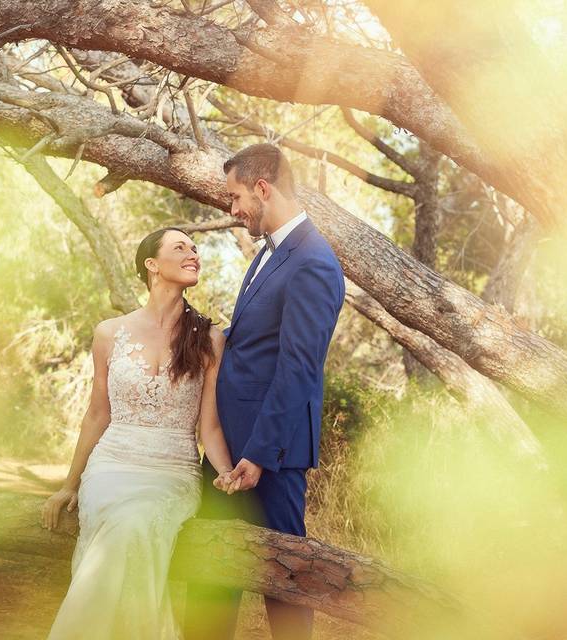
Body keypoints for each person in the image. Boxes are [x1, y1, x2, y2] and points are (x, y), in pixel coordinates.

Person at [42, 227, 236, 640]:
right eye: (180, 247)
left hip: (171, 472)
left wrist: (224, 470)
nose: (193, 254)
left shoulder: (209, 339)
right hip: (111, 466)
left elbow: (210, 425)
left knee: (135, 522)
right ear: (151, 265)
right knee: (121, 520)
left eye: (196, 249)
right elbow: (97, 414)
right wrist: (68, 484)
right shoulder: (109, 333)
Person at [185, 144, 345, 640]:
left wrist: (258, 454)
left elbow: (298, 367)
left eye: (235, 198)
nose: (233, 210)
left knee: (285, 579)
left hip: (268, 455)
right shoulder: (270, 254)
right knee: (212, 576)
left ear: (262, 188)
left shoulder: (313, 260)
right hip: (228, 450)